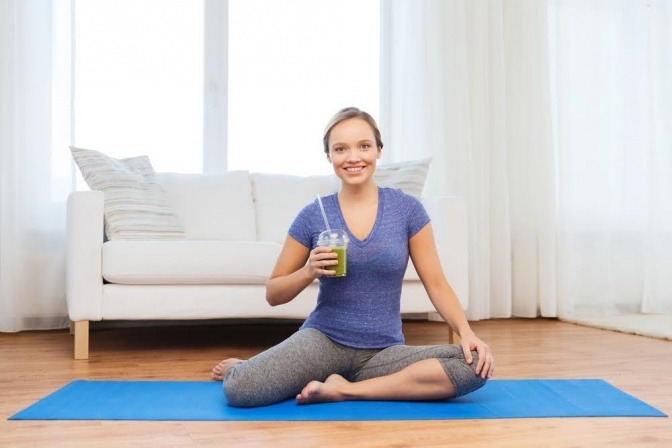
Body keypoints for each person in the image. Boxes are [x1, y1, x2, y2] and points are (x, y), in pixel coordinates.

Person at [211, 107, 494, 407]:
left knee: (475, 363)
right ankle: (249, 366)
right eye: (341, 149)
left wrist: (466, 332)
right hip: (323, 342)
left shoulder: (408, 210)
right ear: (329, 157)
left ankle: (344, 389)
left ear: (378, 150)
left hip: (383, 352)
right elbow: (273, 293)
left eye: (364, 146)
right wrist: (309, 272)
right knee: (240, 388)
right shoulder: (312, 215)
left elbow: (436, 284)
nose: (353, 157)